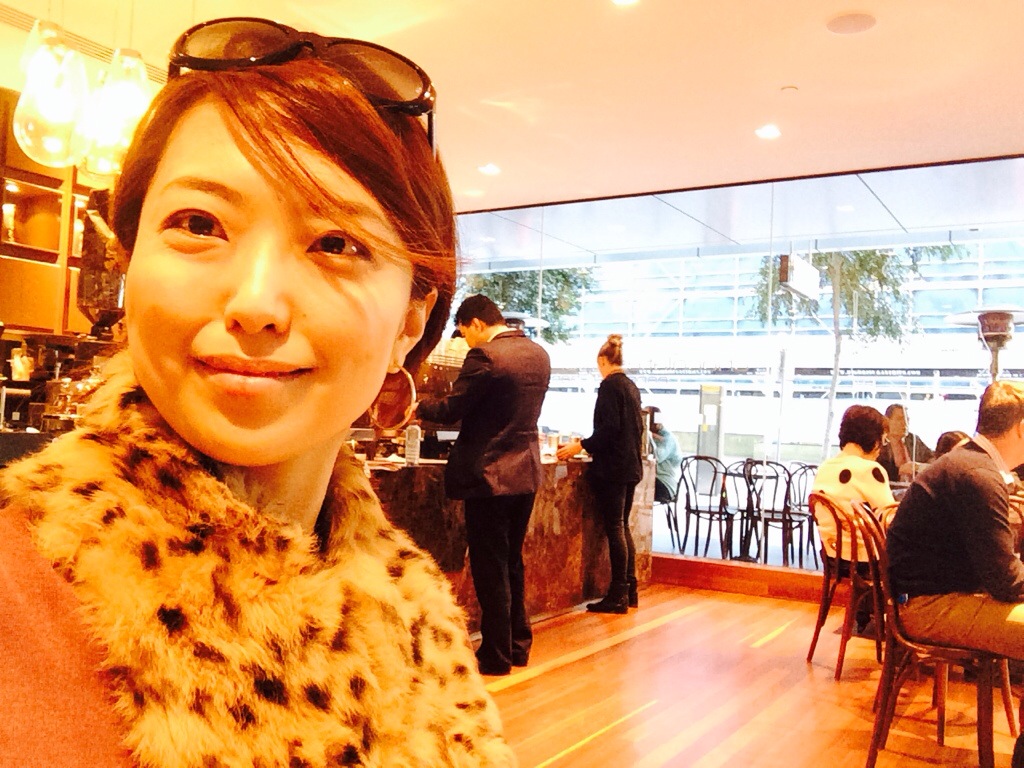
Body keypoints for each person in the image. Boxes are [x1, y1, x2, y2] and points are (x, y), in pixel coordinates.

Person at [0, 18, 515, 768]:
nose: (256, 302)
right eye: (199, 224)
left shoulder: (418, 618)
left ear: (411, 320)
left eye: (336, 243)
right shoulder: (20, 592)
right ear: (130, 262)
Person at [416, 294, 551, 677]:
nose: (466, 342)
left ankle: (495, 654)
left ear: (475, 323)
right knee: (511, 561)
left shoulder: (486, 357)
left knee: (490, 565)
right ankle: (517, 645)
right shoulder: (538, 354)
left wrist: (418, 406)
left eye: (464, 333)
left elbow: (453, 410)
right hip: (525, 473)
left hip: (489, 476)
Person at [888, 379, 1024, 661]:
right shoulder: (978, 475)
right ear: (1021, 428)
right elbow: (1006, 581)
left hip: (931, 596)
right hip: (927, 607)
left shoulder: (969, 463)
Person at [558, 334, 644, 614]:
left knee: (615, 528)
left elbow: (608, 430)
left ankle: (617, 595)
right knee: (623, 526)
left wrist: (580, 445)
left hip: (614, 468)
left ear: (603, 361)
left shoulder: (609, 386)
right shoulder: (631, 386)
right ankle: (630, 589)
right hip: (631, 466)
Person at [877, 403, 934, 481]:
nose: (905, 423)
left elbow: (931, 457)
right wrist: (900, 470)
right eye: (900, 419)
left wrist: (919, 466)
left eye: (907, 419)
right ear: (887, 420)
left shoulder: (913, 439)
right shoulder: (879, 442)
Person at [651, 421, 683, 504]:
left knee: (637, 485)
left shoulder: (668, 438)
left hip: (665, 485)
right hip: (657, 480)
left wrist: (649, 436)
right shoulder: (659, 437)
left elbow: (658, 457)